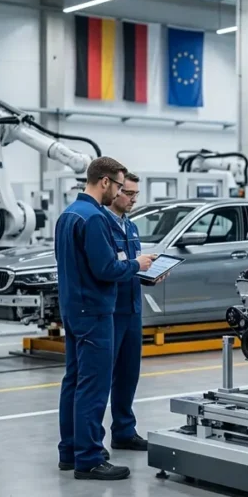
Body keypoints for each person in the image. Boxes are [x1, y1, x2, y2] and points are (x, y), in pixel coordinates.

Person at [55, 157, 155, 481]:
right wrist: (137, 265)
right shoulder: (95, 218)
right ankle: (89, 457)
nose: (121, 192)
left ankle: (69, 451)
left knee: (74, 381)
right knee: (93, 387)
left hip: (73, 309)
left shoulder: (68, 215)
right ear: (105, 182)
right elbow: (106, 269)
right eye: (119, 185)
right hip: (96, 311)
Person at [105, 172, 149, 452]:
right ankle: (90, 442)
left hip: (132, 308)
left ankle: (123, 431)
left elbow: (130, 265)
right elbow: (106, 268)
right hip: (110, 310)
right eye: (129, 193)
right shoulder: (101, 226)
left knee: (129, 373)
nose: (134, 199)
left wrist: (148, 273)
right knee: (101, 377)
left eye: (136, 195)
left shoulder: (130, 227)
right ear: (115, 190)